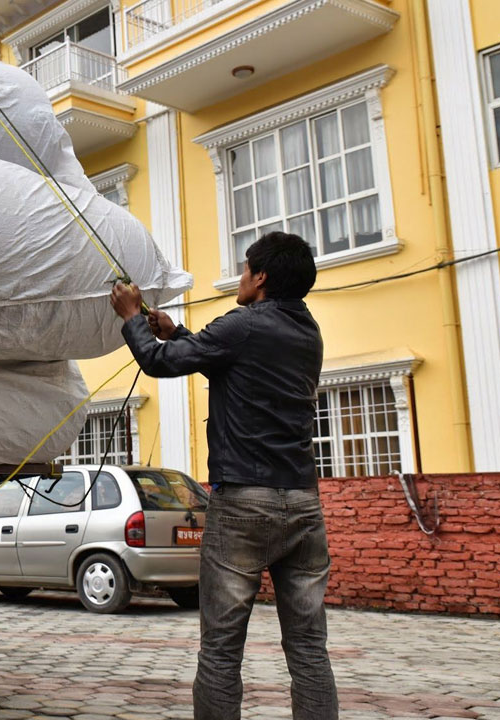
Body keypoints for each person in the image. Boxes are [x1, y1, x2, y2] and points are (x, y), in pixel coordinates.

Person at [109, 232, 337, 720]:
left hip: (244, 505)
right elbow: (230, 365)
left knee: (221, 649)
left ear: (260, 278)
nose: (239, 277)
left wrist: (133, 318)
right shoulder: (307, 332)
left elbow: (157, 363)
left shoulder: (244, 325)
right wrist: (177, 332)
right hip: (302, 503)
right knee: (310, 651)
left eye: (245, 268)